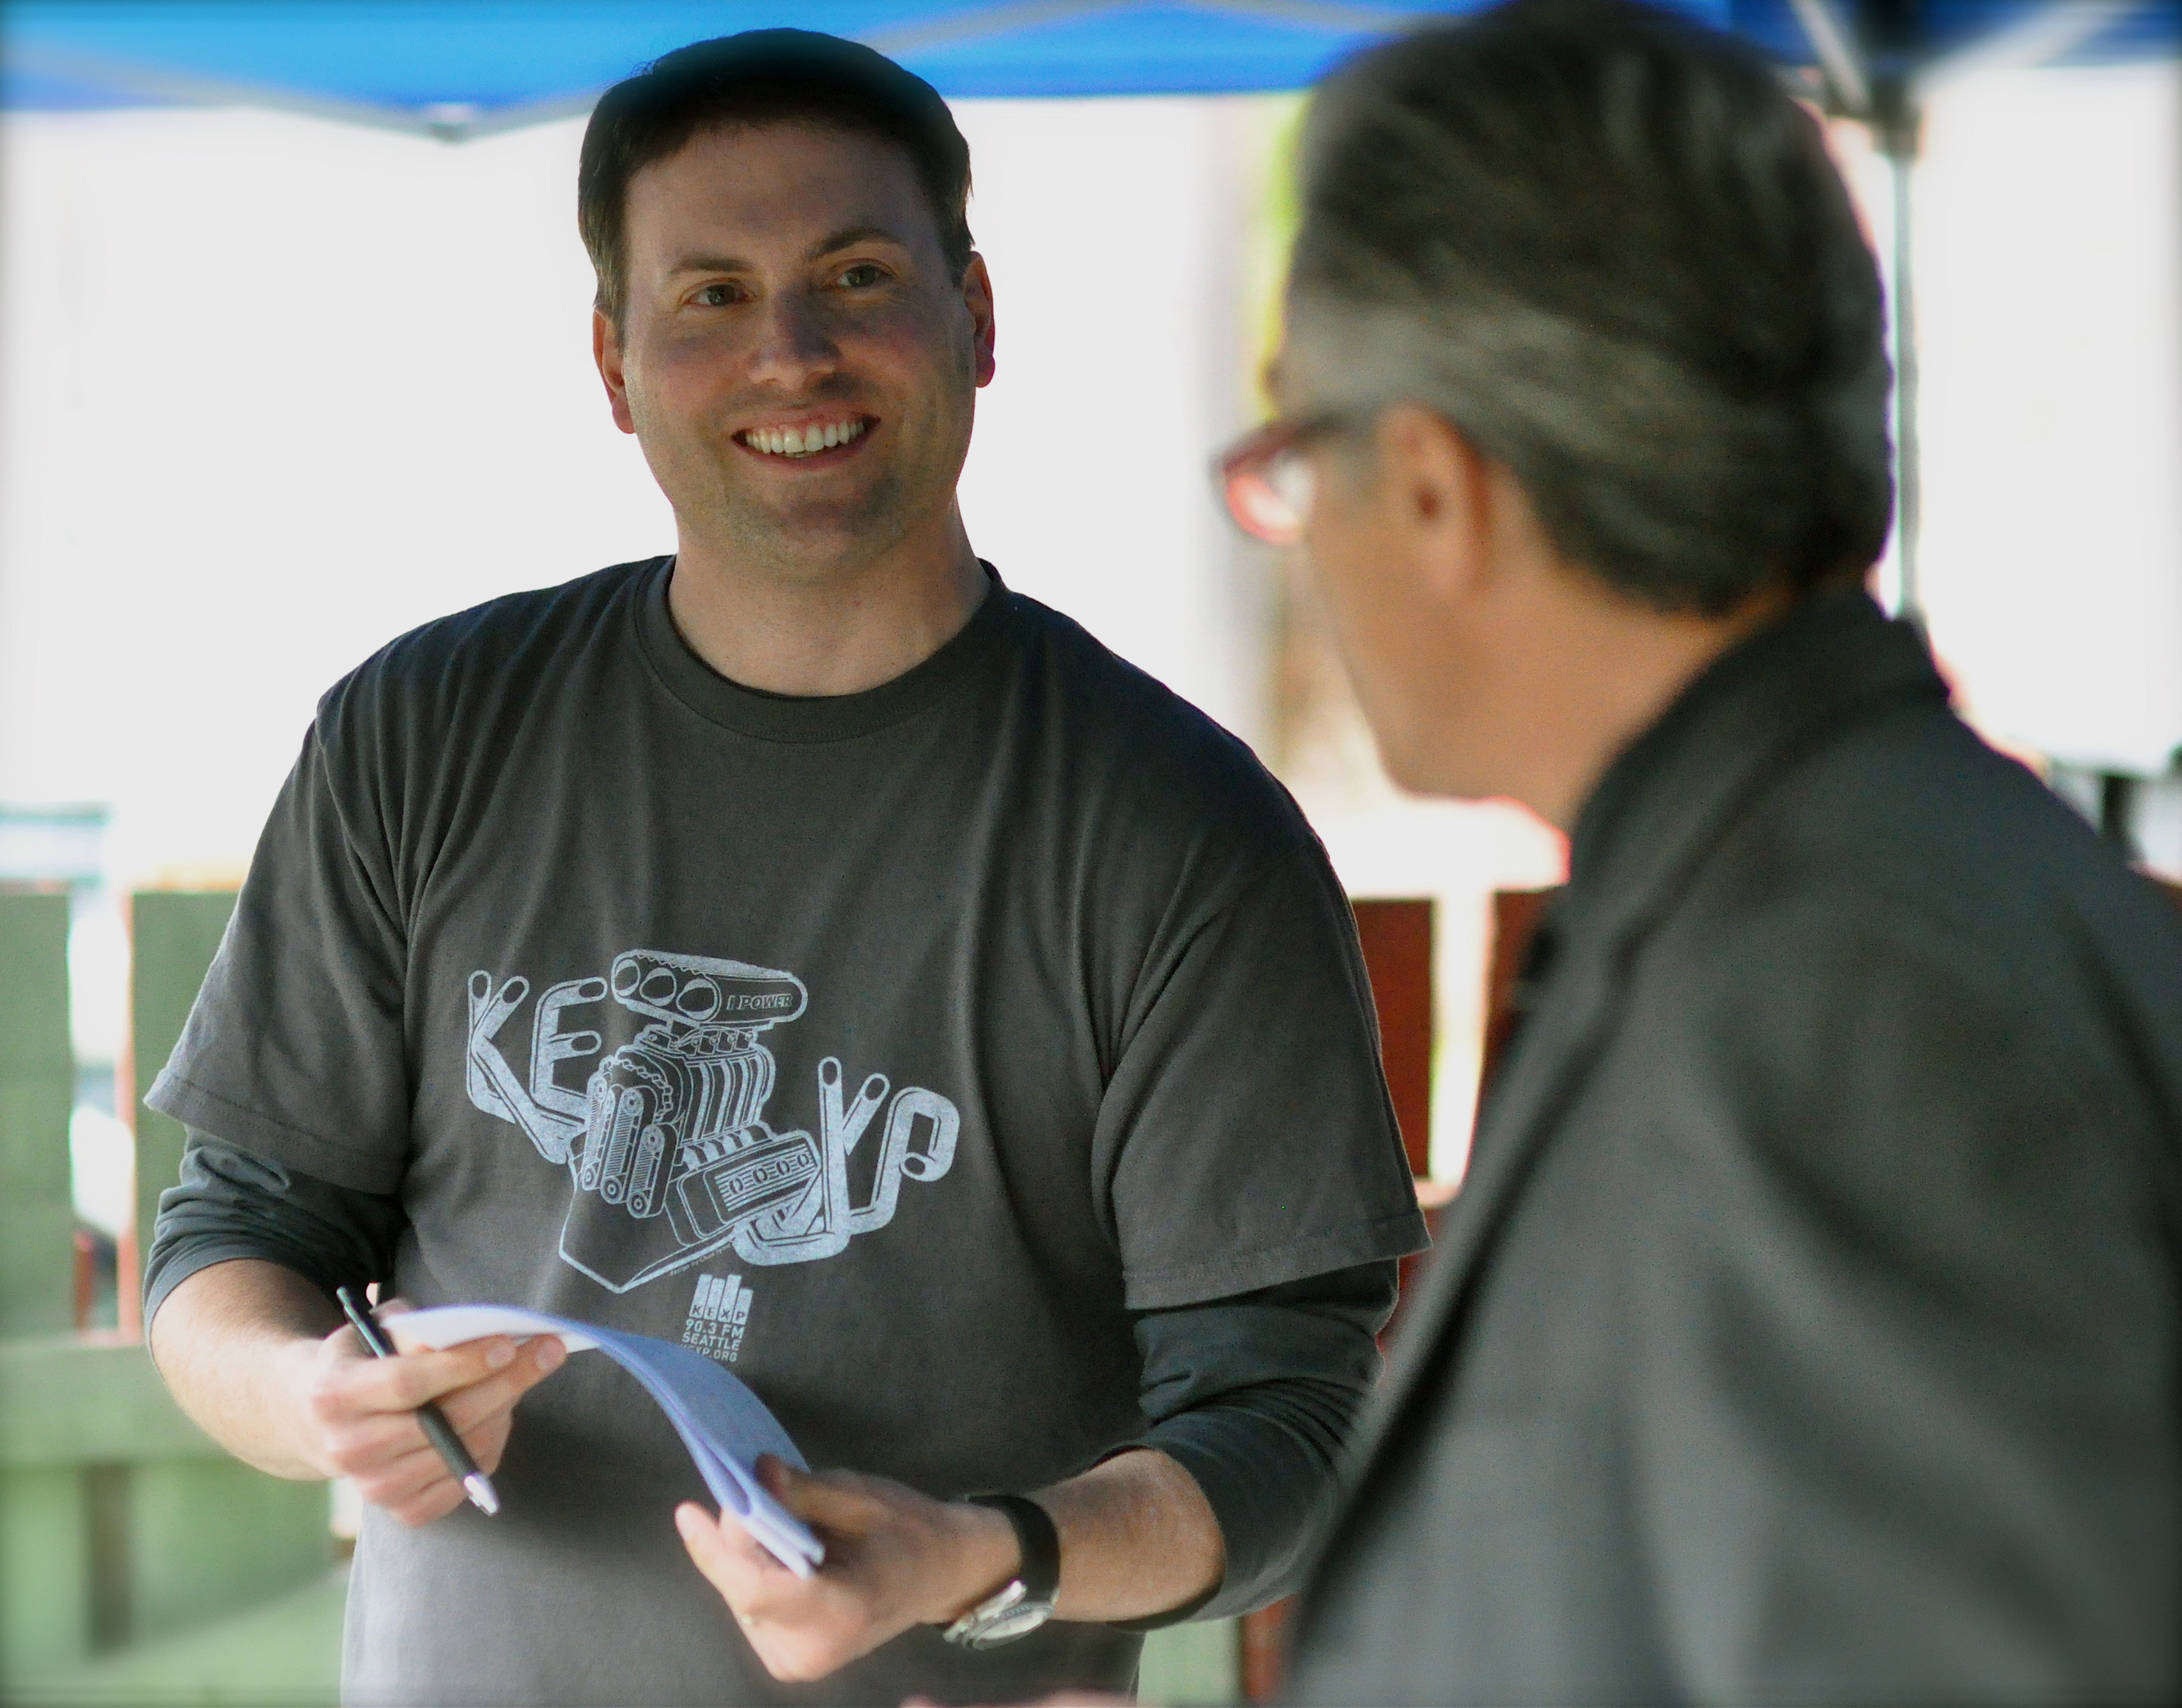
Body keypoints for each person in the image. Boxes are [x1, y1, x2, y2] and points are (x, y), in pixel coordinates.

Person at [140, 30, 1426, 1708]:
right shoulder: (422, 736)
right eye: (713, 295)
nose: (792, 354)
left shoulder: (1185, 835)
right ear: (614, 361)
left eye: (857, 274)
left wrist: (987, 1550)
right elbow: (232, 1238)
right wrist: (308, 1392)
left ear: (978, 314)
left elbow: (1288, 1428)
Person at [1209, 0, 2182, 1700]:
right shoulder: (1796, 895)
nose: (1307, 540)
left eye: (1298, 454)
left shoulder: (1855, 1003)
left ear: (1436, 486)